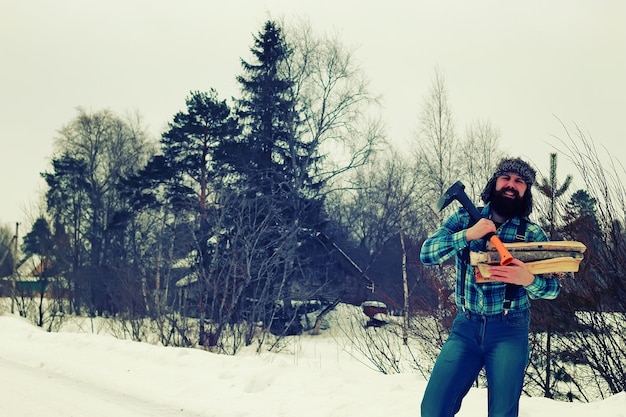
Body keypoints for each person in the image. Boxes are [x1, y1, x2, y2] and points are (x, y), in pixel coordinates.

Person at [419, 157, 560, 417]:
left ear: (526, 192)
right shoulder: (463, 219)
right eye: (506, 177)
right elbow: (427, 254)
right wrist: (467, 235)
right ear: (494, 183)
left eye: (519, 181)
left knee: (502, 413)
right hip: (465, 328)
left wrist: (527, 279)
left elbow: (553, 289)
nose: (511, 184)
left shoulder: (532, 234)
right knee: (433, 408)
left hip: (509, 330)